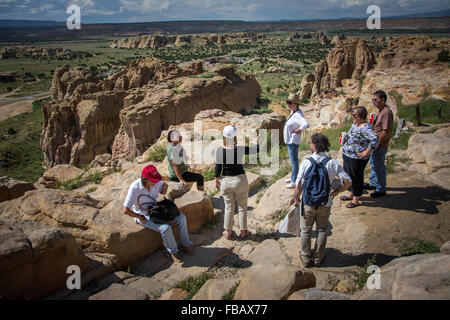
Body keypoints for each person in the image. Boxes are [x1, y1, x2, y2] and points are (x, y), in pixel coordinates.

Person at [291, 133, 352, 268]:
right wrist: (336, 192)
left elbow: (298, 185)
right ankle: (318, 258)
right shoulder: (332, 163)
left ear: (314, 145)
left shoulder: (306, 162)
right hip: (325, 202)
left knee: (306, 230)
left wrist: (296, 199)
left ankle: (306, 258)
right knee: (322, 230)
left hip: (308, 202)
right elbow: (348, 181)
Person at [123, 164, 196, 263]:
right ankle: (173, 251)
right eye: (153, 180)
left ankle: (186, 244)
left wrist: (164, 188)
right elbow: (126, 210)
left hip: (156, 210)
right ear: (145, 180)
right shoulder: (135, 188)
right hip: (143, 214)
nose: (156, 181)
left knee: (181, 218)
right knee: (165, 228)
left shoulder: (156, 182)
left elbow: (162, 191)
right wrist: (139, 217)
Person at [215, 125, 259, 240]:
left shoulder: (220, 150)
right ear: (235, 137)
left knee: (229, 207)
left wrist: (216, 179)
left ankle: (228, 232)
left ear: (224, 136)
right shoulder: (239, 149)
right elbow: (256, 150)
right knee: (242, 207)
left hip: (226, 181)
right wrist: (255, 142)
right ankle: (243, 232)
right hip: (239, 180)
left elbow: (218, 167)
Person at [340, 106, 379, 208]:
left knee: (356, 177)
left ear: (361, 116)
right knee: (349, 176)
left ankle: (356, 199)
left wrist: (367, 151)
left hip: (357, 158)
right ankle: (352, 194)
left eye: (354, 115)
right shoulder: (355, 125)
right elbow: (350, 135)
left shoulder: (366, 127)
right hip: (348, 155)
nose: (352, 116)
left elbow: (375, 139)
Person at [365, 90, 394, 198]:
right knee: (373, 164)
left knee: (379, 166)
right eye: (373, 99)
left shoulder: (386, 112)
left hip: (379, 144)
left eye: (376, 99)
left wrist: (376, 143)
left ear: (383, 100)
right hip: (375, 143)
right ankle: (373, 183)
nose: (374, 102)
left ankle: (381, 189)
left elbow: (386, 131)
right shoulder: (380, 111)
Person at [283, 93, 310, 189]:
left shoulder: (297, 114)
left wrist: (300, 129)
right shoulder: (294, 112)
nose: (288, 105)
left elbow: (306, 123)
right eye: (287, 103)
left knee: (294, 162)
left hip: (293, 142)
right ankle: (293, 177)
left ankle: (295, 181)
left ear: (295, 104)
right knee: (293, 161)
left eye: (290, 103)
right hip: (290, 140)